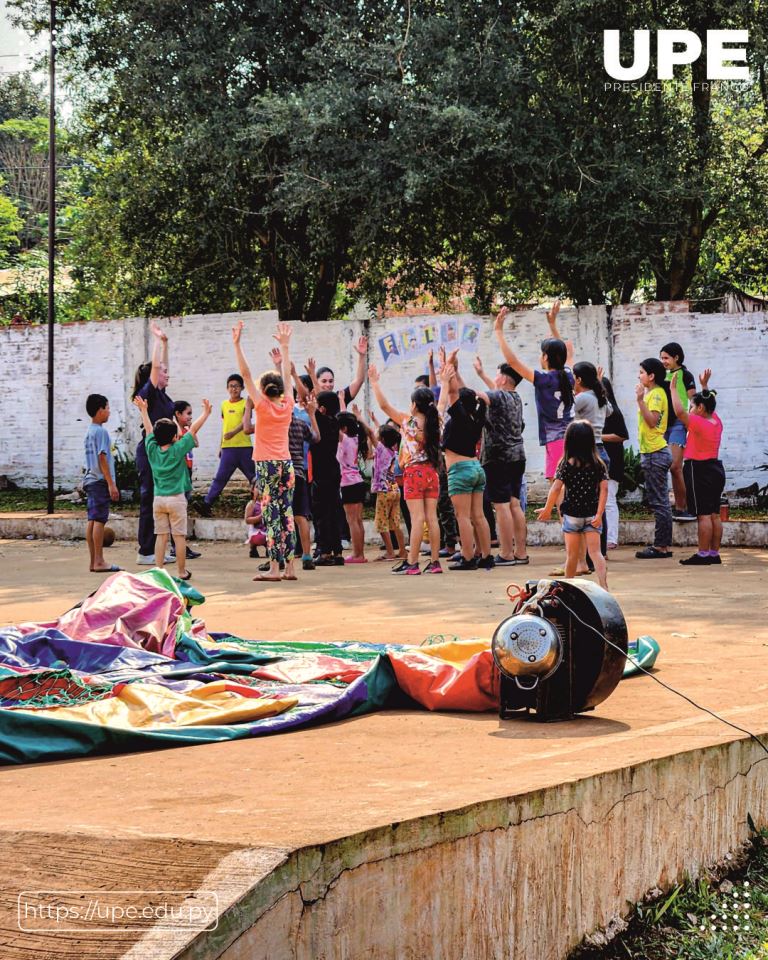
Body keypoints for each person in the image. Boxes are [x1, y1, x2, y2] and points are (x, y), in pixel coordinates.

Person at [232, 320, 297, 582]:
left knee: (271, 516)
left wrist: (237, 344)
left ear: (262, 390)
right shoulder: (287, 405)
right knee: (287, 514)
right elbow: (289, 381)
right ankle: (290, 568)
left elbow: (246, 375)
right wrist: (285, 347)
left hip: (268, 465)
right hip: (286, 465)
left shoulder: (262, 407)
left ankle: (274, 568)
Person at [369, 364, 443, 575]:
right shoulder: (436, 422)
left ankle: (412, 562)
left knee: (417, 518)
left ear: (414, 405)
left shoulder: (408, 422)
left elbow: (384, 406)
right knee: (432, 518)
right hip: (431, 473)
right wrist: (444, 382)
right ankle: (435, 562)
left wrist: (374, 382)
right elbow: (444, 400)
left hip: (414, 473)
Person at [132, 394, 212, 580]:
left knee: (161, 536)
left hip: (158, 499)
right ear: (175, 436)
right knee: (179, 537)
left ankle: (159, 570)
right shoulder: (178, 449)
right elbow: (193, 430)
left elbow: (149, 430)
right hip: (176, 499)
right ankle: (181, 571)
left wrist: (144, 411)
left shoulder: (151, 449)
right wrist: (206, 414)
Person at [494, 300, 574, 481]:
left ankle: (564, 511)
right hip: (570, 436)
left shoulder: (545, 379)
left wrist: (499, 332)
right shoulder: (569, 375)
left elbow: (513, 363)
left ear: (545, 357)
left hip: (556, 439)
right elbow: (566, 355)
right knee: (565, 482)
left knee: (558, 484)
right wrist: (553, 326)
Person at [536, 420, 609, 589]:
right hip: (592, 514)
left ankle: (566, 588)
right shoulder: (598, 464)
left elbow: (555, 488)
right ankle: (604, 586)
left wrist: (548, 509)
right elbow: (604, 490)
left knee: (572, 556)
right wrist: (599, 514)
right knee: (596, 553)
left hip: (572, 515)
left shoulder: (565, 464)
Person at [437, 363, 493, 570]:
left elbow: (451, 394)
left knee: (463, 517)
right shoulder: (477, 417)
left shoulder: (460, 417)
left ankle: (468, 557)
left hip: (460, 470)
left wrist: (447, 374)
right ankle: (486, 556)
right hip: (476, 468)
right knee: (478, 515)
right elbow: (457, 394)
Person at [474, 356, 528, 565]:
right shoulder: (514, 397)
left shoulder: (499, 397)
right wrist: (481, 374)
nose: (494, 378)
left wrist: (459, 385)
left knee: (502, 506)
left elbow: (483, 396)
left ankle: (506, 553)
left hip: (498, 458)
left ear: (504, 379)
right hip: (517, 456)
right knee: (514, 504)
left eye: (497, 373)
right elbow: (496, 395)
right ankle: (521, 552)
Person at [669, 368, 725, 566]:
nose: (690, 409)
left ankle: (702, 555)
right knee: (714, 514)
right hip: (716, 469)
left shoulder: (698, 423)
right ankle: (713, 553)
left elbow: (678, 412)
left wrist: (673, 389)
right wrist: (704, 387)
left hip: (698, 470)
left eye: (692, 406)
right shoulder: (716, 421)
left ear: (700, 408)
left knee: (703, 515)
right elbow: (709, 403)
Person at [132, 322, 176, 564]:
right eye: (163, 372)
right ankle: (145, 551)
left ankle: (158, 549)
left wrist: (166, 343)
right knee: (149, 499)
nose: (167, 373)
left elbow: (162, 366)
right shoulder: (147, 393)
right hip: (149, 452)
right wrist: (158, 342)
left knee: (162, 500)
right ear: (154, 375)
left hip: (163, 453)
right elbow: (157, 366)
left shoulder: (162, 394)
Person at [196, 374, 255, 516]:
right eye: (231, 386)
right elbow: (224, 427)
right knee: (220, 477)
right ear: (227, 388)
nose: (234, 389)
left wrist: (233, 433)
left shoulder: (246, 403)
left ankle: (260, 505)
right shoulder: (224, 404)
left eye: (236, 386)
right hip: (228, 448)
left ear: (242, 388)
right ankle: (206, 504)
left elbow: (245, 423)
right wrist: (220, 446)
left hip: (244, 447)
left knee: (254, 477)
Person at [635, 357, 673, 559]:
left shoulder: (656, 395)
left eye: (642, 372)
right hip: (653, 452)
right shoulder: (653, 393)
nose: (639, 375)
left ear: (651, 376)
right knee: (660, 501)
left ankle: (661, 546)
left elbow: (652, 421)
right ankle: (663, 544)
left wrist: (640, 400)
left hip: (655, 453)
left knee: (659, 502)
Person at [82, 394, 121, 573]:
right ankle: (99, 561)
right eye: (107, 408)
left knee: (92, 520)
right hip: (99, 481)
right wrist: (111, 483)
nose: (109, 411)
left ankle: (93, 561)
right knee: (99, 520)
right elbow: (102, 457)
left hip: (90, 479)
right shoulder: (102, 432)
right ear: (99, 410)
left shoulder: (89, 431)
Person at [660, 342, 697, 522]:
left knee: (675, 466)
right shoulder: (663, 375)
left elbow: (694, 401)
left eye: (666, 358)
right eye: (662, 358)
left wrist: (690, 423)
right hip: (663, 425)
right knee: (669, 467)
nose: (663, 361)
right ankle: (677, 507)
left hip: (678, 424)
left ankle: (683, 508)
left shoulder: (685, 375)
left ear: (677, 358)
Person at [311, 390, 345, 566]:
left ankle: (324, 552)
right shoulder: (335, 422)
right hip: (333, 470)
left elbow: (309, 401)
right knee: (334, 511)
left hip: (322, 473)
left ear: (322, 409)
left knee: (322, 513)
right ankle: (337, 551)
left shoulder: (320, 421)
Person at [288, 393, 321, 570]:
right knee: (301, 516)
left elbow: (247, 429)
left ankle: (279, 557)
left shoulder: (276, 425)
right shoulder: (301, 424)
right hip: (299, 472)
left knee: (278, 516)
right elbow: (316, 438)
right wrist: (312, 415)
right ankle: (307, 555)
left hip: (281, 472)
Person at [170, 400, 202, 562]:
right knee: (179, 509)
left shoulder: (186, 429)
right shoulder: (174, 429)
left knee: (183, 508)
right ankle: (176, 545)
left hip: (187, 471)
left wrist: (190, 430)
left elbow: (196, 443)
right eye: (188, 413)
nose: (190, 417)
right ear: (178, 414)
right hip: (180, 472)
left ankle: (178, 545)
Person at [371, 422, 407, 562]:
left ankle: (390, 552)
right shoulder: (393, 452)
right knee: (395, 522)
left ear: (383, 440)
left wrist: (360, 419)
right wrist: (376, 423)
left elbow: (370, 433)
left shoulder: (381, 450)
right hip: (395, 489)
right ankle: (402, 551)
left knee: (381, 523)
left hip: (384, 491)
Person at [336, 411, 370, 563]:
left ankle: (357, 554)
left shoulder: (344, 440)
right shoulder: (357, 438)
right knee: (358, 520)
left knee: (352, 521)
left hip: (348, 483)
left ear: (343, 429)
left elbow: (334, 424)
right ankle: (360, 553)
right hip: (358, 481)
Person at [600, 376, 628, 551]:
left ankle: (611, 538)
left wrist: (597, 436)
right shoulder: (597, 411)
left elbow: (622, 435)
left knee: (609, 500)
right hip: (602, 462)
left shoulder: (613, 412)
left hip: (612, 462)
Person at [305, 336, 368, 405]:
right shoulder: (310, 402)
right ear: (317, 382)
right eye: (324, 381)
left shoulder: (340, 397)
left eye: (331, 381)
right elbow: (321, 397)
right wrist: (313, 376)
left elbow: (359, 380)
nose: (328, 384)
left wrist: (362, 356)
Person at [244, 478, 267, 558]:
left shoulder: (268, 503)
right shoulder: (251, 504)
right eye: (257, 487)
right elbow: (247, 520)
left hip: (267, 531)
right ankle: (253, 547)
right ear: (252, 489)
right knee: (259, 538)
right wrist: (259, 518)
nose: (260, 490)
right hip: (256, 531)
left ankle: (269, 549)